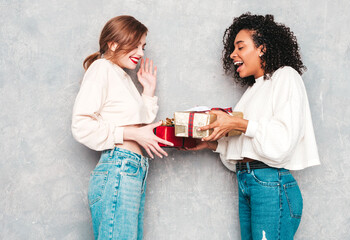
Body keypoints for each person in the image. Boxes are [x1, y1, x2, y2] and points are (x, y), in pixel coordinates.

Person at [189, 13, 320, 239]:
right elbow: (246, 149)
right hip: (249, 181)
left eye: (240, 47)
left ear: (262, 48)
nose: (232, 54)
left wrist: (237, 122)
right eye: (233, 48)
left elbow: (282, 143)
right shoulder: (251, 92)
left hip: (271, 184)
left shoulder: (286, 77)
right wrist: (212, 145)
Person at [71, 15, 173, 240]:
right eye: (135, 44)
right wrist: (131, 133)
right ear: (113, 43)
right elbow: (81, 125)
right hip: (118, 166)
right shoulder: (101, 69)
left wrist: (147, 90)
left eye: (143, 46)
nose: (141, 52)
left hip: (132, 169)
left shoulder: (123, 77)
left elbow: (138, 121)